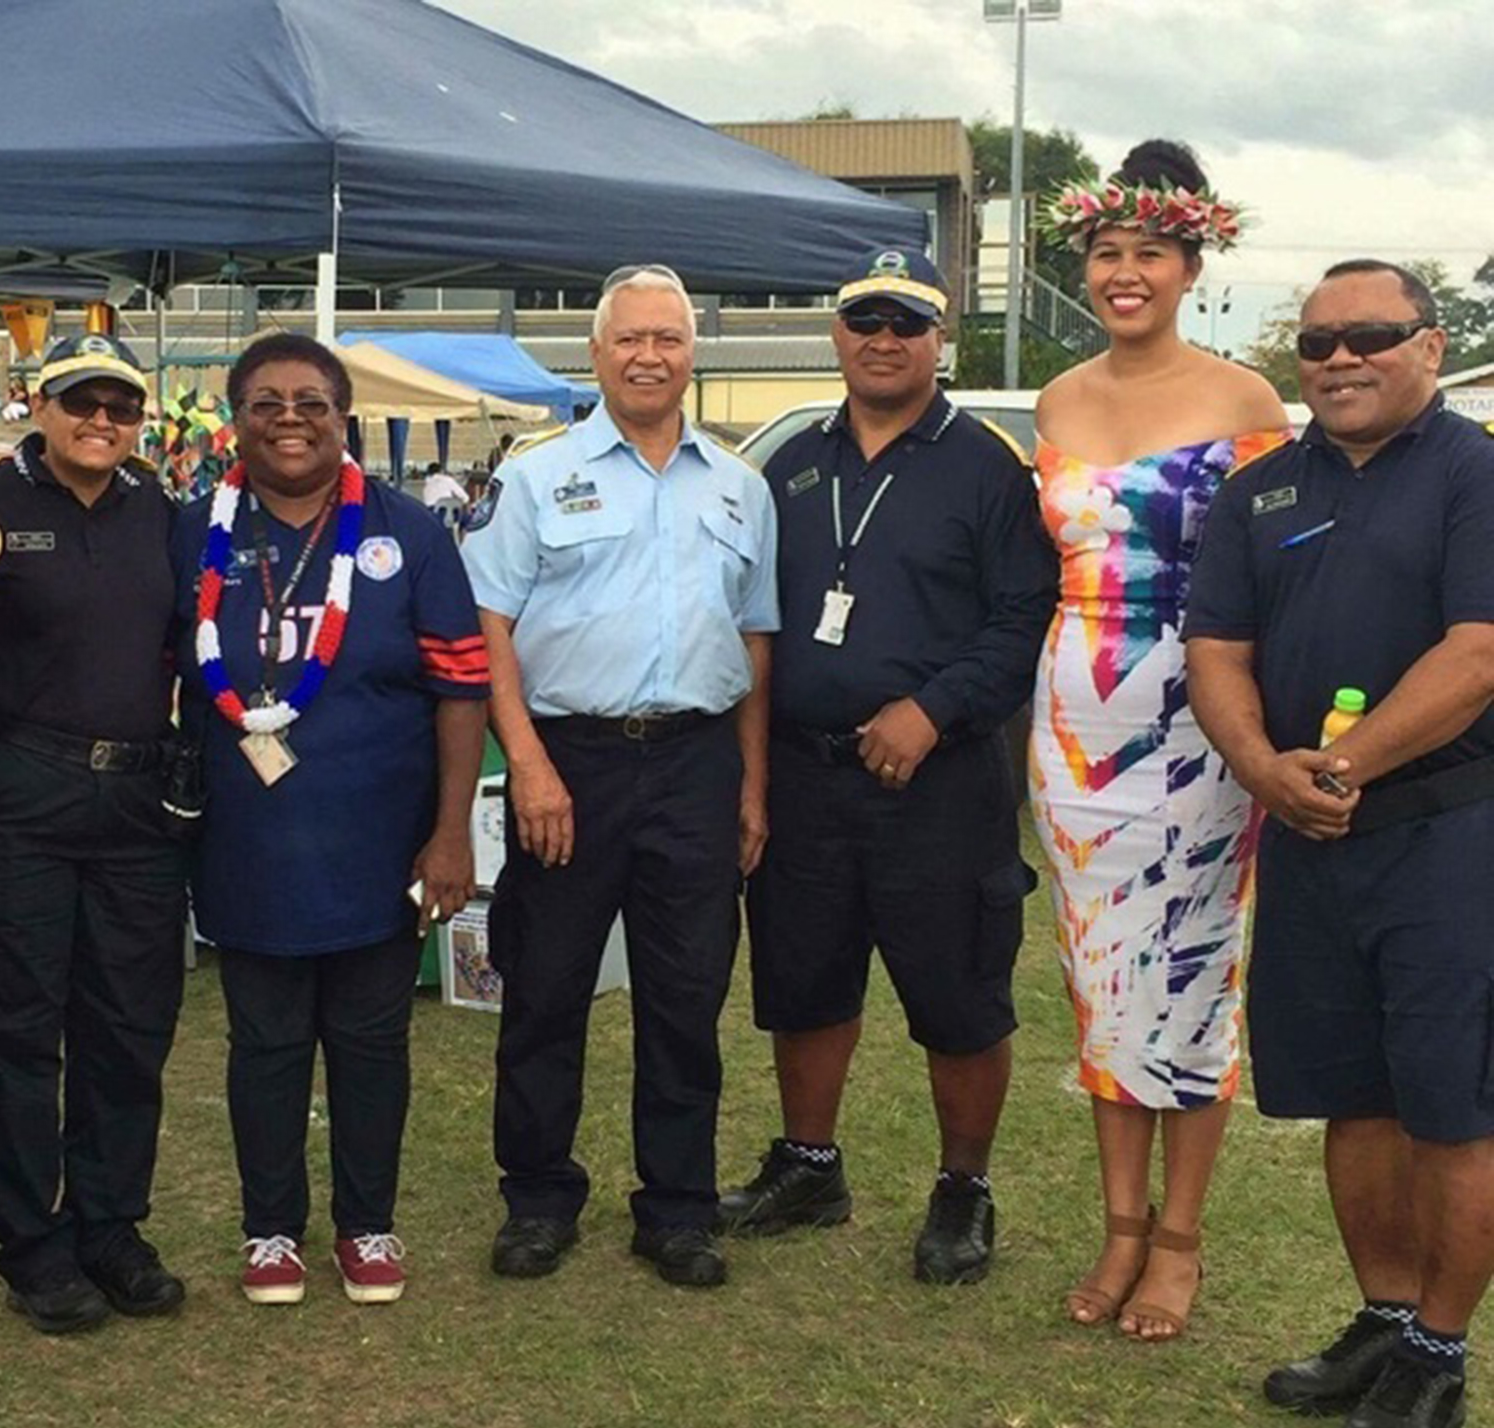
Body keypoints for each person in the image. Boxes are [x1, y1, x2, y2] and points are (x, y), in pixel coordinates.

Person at [1187, 259, 1494, 1428]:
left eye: (1369, 334)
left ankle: (1440, 1350)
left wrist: (1343, 765)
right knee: (1348, 1094)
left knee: (1448, 1107)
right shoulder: (1260, 490)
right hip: (1309, 837)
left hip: (1442, 837)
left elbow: (1476, 654)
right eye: (1315, 342)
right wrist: (1265, 768)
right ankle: (1381, 1317)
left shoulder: (1474, 475)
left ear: (1427, 345)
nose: (1338, 358)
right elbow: (1216, 648)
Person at [718, 249, 1057, 1284]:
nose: (882, 337)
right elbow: (752, 623)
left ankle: (962, 1190)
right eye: (864, 318)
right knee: (802, 979)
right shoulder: (785, 463)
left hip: (939, 781)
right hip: (806, 771)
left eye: (905, 321)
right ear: (835, 333)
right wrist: (751, 777)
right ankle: (809, 1164)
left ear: (937, 338)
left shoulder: (988, 466)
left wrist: (931, 710)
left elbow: (1018, 620)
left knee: (956, 994)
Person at [464, 264, 778, 1289]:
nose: (649, 355)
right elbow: (489, 631)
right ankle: (538, 1196)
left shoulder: (739, 486)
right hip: (569, 760)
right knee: (545, 990)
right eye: (629, 338)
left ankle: (676, 1208)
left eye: (669, 339)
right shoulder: (532, 476)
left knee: (685, 996)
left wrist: (749, 783)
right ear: (594, 355)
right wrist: (529, 767)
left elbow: (755, 644)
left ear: (693, 355)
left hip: (694, 761)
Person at [1030, 141, 1290, 1340]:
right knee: (1099, 973)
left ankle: (1178, 1240)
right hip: (1074, 714)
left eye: (1146, 253)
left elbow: (1286, 569)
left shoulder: (1243, 401)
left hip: (1198, 707)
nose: (1122, 272)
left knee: (1188, 968)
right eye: (1103, 253)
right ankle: (1117, 1226)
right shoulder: (1056, 400)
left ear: (1190, 263)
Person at [171, 333, 487, 1306]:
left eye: (310, 401)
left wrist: (449, 831)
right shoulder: (191, 532)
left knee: (368, 1039)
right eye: (265, 402)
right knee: (262, 1040)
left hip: (377, 836)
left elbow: (462, 685)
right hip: (248, 839)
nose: (290, 418)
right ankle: (270, 1231)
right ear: (236, 420)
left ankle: (366, 1224)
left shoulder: (409, 533)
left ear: (342, 415)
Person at [0, 332, 194, 1335]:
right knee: (14, 1029)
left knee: (128, 1027)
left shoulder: (166, 516)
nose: (101, 421)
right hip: (21, 791)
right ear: (38, 406)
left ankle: (109, 1227)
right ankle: (33, 1247)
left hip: (138, 801)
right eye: (79, 402)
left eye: (120, 407)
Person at [420, 460, 470, 537]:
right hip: (451, 512)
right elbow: (465, 497)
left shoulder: (426, 487)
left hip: (433, 515)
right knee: (466, 519)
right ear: (441, 471)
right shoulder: (448, 480)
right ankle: (463, 541)